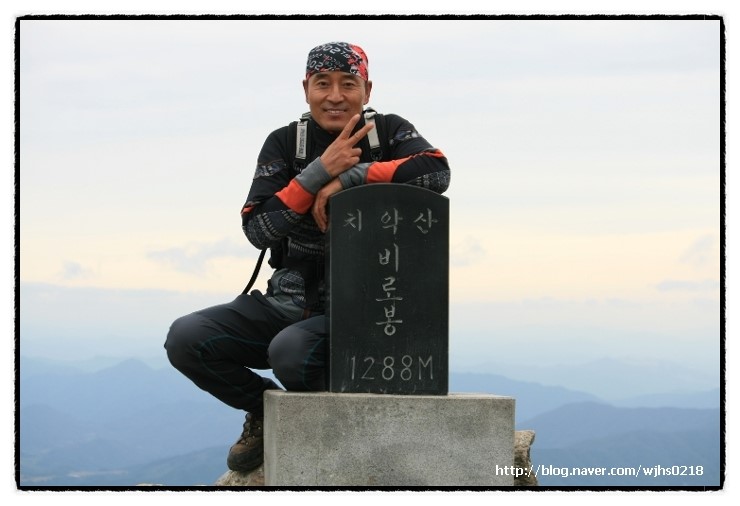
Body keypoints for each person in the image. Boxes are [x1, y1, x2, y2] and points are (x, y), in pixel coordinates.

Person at [164, 41, 451, 473]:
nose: (335, 95)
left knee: (292, 355)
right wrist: (319, 173)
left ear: (367, 90)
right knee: (187, 338)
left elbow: (436, 170)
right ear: (306, 89)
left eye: (348, 84)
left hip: (364, 310)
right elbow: (259, 230)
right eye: (322, 83)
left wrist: (353, 177)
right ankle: (263, 411)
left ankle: (354, 431)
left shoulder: (388, 132)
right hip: (286, 302)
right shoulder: (284, 144)